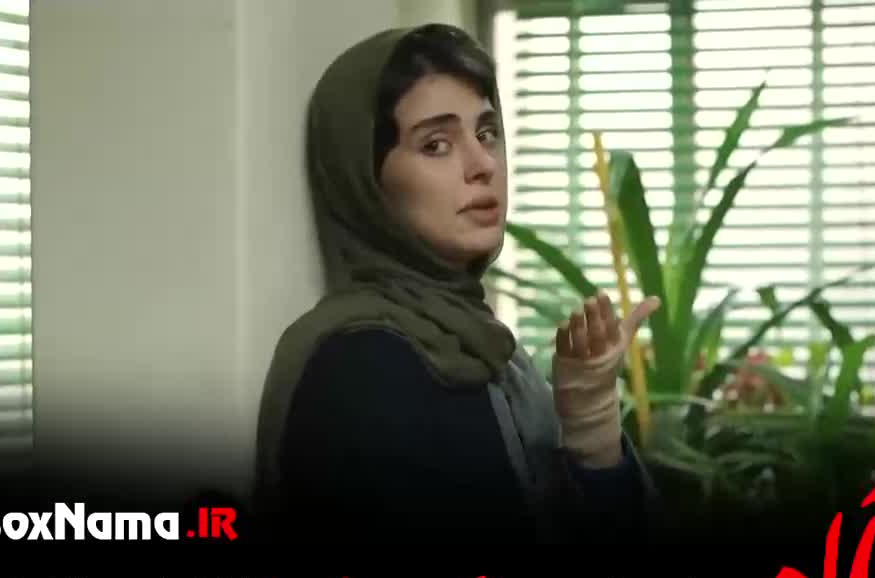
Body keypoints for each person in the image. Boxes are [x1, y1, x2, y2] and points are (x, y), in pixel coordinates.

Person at [253, 23, 662, 546]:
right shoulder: (360, 367)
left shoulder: (484, 346)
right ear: (366, 181)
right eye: (437, 144)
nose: (483, 164)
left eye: (487, 133)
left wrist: (592, 430)